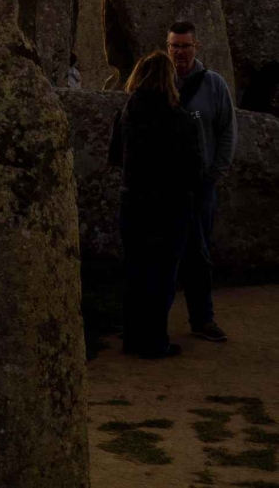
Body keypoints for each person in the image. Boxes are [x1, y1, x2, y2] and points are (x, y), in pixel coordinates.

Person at [108, 51, 205, 358]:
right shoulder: (182, 119)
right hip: (170, 207)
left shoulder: (125, 114)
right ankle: (154, 341)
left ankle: (133, 338)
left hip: (134, 203)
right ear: (170, 80)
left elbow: (114, 158)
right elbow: (195, 168)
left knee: (136, 271)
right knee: (162, 274)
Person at [167, 20, 236, 342]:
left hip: (200, 186)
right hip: (164, 186)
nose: (179, 52)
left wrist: (213, 175)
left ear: (196, 47)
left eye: (184, 46)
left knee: (198, 254)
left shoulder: (214, 85)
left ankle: (202, 318)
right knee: (161, 254)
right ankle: (152, 321)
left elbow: (227, 132)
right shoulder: (158, 81)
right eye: (174, 45)